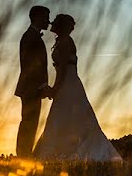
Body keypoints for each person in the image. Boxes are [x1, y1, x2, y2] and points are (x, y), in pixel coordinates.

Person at [33, 14, 122, 162]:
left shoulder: (64, 42)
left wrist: (55, 89)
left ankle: (69, 151)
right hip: (70, 82)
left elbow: (62, 69)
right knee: (69, 116)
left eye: (55, 21)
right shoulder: (63, 41)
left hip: (67, 84)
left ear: (60, 26)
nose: (51, 23)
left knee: (65, 116)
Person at [14, 5, 51, 157]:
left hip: (32, 88)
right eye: (46, 17)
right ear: (36, 17)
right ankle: (23, 155)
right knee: (28, 122)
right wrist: (42, 86)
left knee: (30, 122)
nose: (48, 21)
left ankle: (24, 154)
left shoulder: (32, 36)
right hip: (31, 88)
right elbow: (30, 65)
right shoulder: (30, 37)